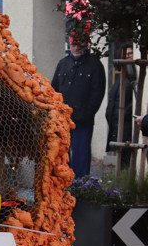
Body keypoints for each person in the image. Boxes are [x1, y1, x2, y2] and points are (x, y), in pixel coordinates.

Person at [52, 38, 107, 178]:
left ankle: (80, 187)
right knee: (62, 155)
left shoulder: (94, 64)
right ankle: (63, 185)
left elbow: (97, 93)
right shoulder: (63, 64)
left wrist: (86, 114)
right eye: (73, 45)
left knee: (81, 155)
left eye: (80, 45)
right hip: (63, 120)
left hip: (83, 120)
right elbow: (54, 90)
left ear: (86, 45)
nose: (76, 48)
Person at [105, 45, 137, 169]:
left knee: (125, 157)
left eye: (130, 54)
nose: (129, 57)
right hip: (119, 122)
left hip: (126, 123)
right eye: (126, 54)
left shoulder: (131, 74)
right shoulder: (122, 74)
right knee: (122, 158)